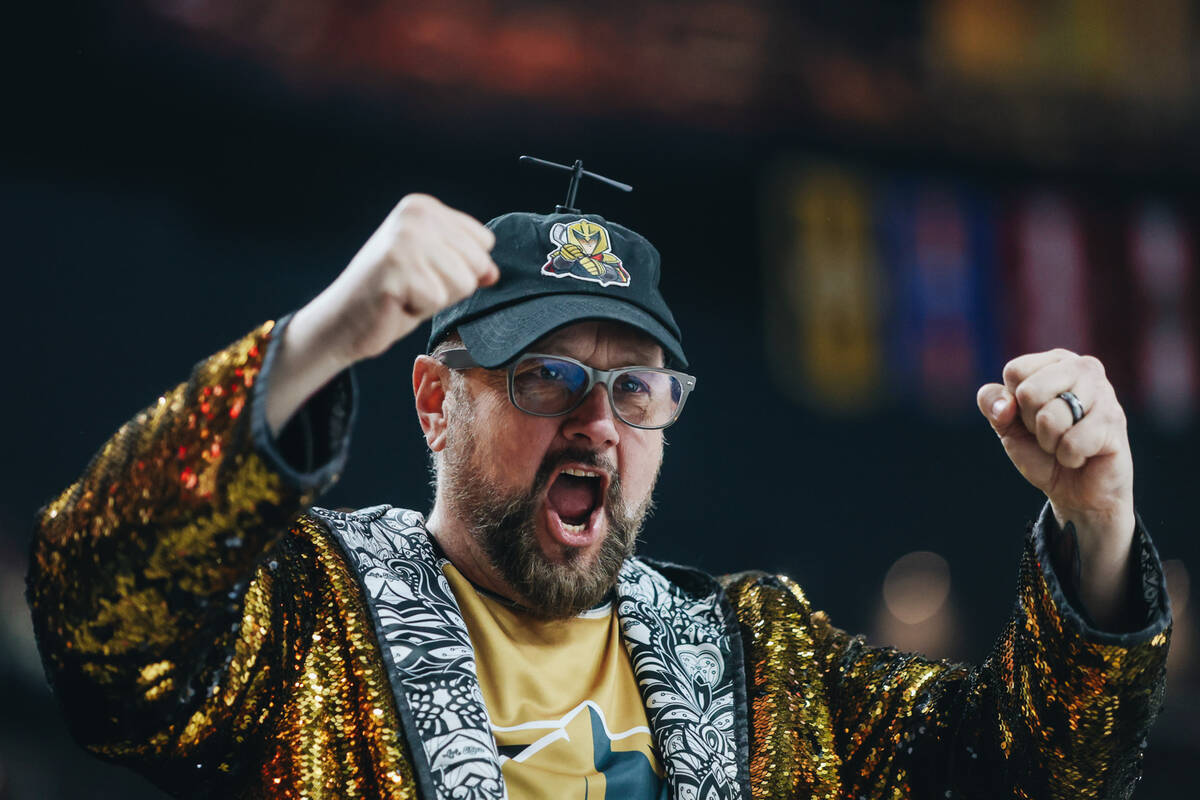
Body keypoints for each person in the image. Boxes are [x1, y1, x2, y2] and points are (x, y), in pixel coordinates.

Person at [28, 193, 1170, 800]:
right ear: (435, 401)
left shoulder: (758, 658)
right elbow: (97, 616)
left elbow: (1026, 772)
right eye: (546, 378)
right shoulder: (312, 617)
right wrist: (318, 340)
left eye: (635, 388)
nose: (595, 423)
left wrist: (1098, 520)